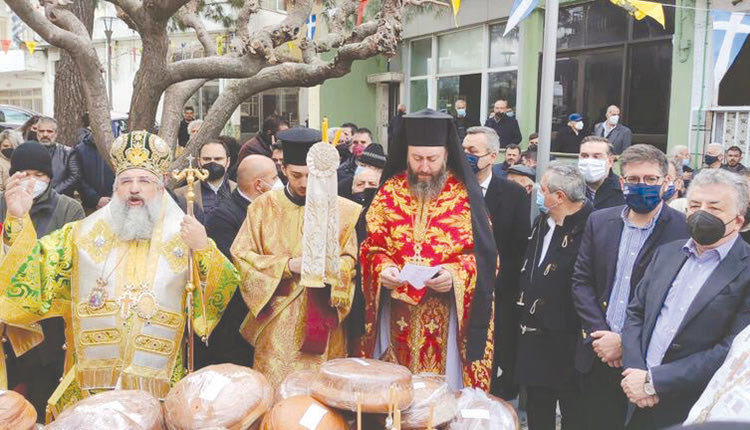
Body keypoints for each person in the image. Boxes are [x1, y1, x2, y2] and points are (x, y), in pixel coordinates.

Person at [0, 131, 239, 417]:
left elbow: (222, 288)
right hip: (91, 386)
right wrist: (17, 219)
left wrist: (203, 250)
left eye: (144, 181)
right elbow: (32, 274)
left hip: (159, 386)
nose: (134, 189)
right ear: (115, 188)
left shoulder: (185, 238)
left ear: (161, 187)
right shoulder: (81, 236)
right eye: (126, 181)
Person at [358, 109, 497, 391]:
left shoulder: (464, 197)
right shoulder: (389, 193)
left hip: (446, 317)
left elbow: (485, 258)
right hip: (395, 313)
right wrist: (382, 268)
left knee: (441, 397)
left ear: (446, 154)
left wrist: (454, 274)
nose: (423, 167)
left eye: (431, 159)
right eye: (416, 158)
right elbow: (370, 246)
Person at [231, 127, 361, 388]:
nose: (304, 183)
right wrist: (288, 266)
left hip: (323, 318)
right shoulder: (262, 207)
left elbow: (351, 261)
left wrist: (333, 266)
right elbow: (241, 258)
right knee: (276, 393)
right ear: (284, 168)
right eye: (296, 175)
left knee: (321, 393)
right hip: (276, 319)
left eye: (311, 176)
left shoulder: (344, 211)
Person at [621, 168, 750, 430]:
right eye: (694, 205)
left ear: (737, 220)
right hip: (635, 397)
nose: (701, 213)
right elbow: (636, 313)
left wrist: (655, 381)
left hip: (693, 406)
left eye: (714, 208)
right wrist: (635, 372)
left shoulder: (746, 268)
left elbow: (732, 348)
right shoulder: (667, 253)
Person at [571, 144, 689, 430]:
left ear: (665, 183)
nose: (642, 186)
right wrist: (603, 337)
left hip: (649, 362)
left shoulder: (683, 230)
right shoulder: (600, 221)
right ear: (622, 182)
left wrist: (625, 342)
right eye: (634, 180)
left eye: (650, 180)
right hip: (597, 352)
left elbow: (678, 298)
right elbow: (582, 280)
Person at [0, 141, 85, 418]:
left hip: (49, 328)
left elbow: (71, 260)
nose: (31, 181)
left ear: (50, 177)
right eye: (24, 174)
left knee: (43, 397)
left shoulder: (68, 210)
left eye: (39, 175)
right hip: (5, 327)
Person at [516, 162, 592, 430]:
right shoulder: (542, 222)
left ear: (559, 196)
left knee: (574, 412)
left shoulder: (592, 226)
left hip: (569, 340)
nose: (538, 194)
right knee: (538, 408)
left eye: (543, 189)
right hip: (535, 336)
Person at [462, 125, 530, 399]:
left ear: (492, 156)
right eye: (462, 149)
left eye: (472, 151)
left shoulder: (512, 194)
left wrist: (491, 283)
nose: (465, 155)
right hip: (452, 291)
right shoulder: (449, 190)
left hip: (495, 294)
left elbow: (517, 248)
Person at [199, 155, 280, 369]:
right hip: (236, 321)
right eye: (275, 177)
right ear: (259, 185)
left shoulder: (268, 207)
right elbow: (232, 267)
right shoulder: (224, 216)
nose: (278, 182)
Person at [174, 140, 236, 219]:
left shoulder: (239, 191)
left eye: (218, 159)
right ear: (199, 162)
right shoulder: (181, 194)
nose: (212, 163)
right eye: (207, 159)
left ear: (228, 162)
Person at [36, 117, 80, 197]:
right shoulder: (29, 152)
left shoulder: (68, 153)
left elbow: (75, 177)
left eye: (49, 131)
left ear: (56, 134)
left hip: (60, 200)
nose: (45, 134)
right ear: (37, 132)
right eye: (41, 131)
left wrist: (53, 193)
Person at [75, 123, 115, 213]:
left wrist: (113, 198)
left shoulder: (116, 149)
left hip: (114, 205)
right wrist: (96, 199)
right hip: (90, 207)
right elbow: (78, 179)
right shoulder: (80, 150)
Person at [578, 136, 624, 209]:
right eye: (584, 156)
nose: (589, 161)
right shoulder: (568, 190)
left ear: (610, 161)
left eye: (596, 157)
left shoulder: (623, 191)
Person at [337, 128, 373, 195]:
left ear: (371, 145)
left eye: (363, 142)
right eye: (355, 142)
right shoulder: (342, 170)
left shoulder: (381, 168)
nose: (359, 145)